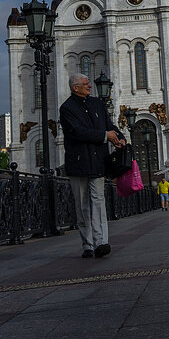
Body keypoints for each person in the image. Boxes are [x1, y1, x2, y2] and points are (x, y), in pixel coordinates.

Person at [60, 73, 126, 259]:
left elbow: (109, 125)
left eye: (89, 83)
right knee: (82, 205)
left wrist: (119, 138)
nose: (90, 86)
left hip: (97, 161)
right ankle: (87, 244)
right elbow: (77, 131)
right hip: (79, 163)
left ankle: (101, 242)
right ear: (76, 87)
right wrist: (106, 136)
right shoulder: (67, 108)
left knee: (98, 202)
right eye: (86, 83)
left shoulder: (97, 104)